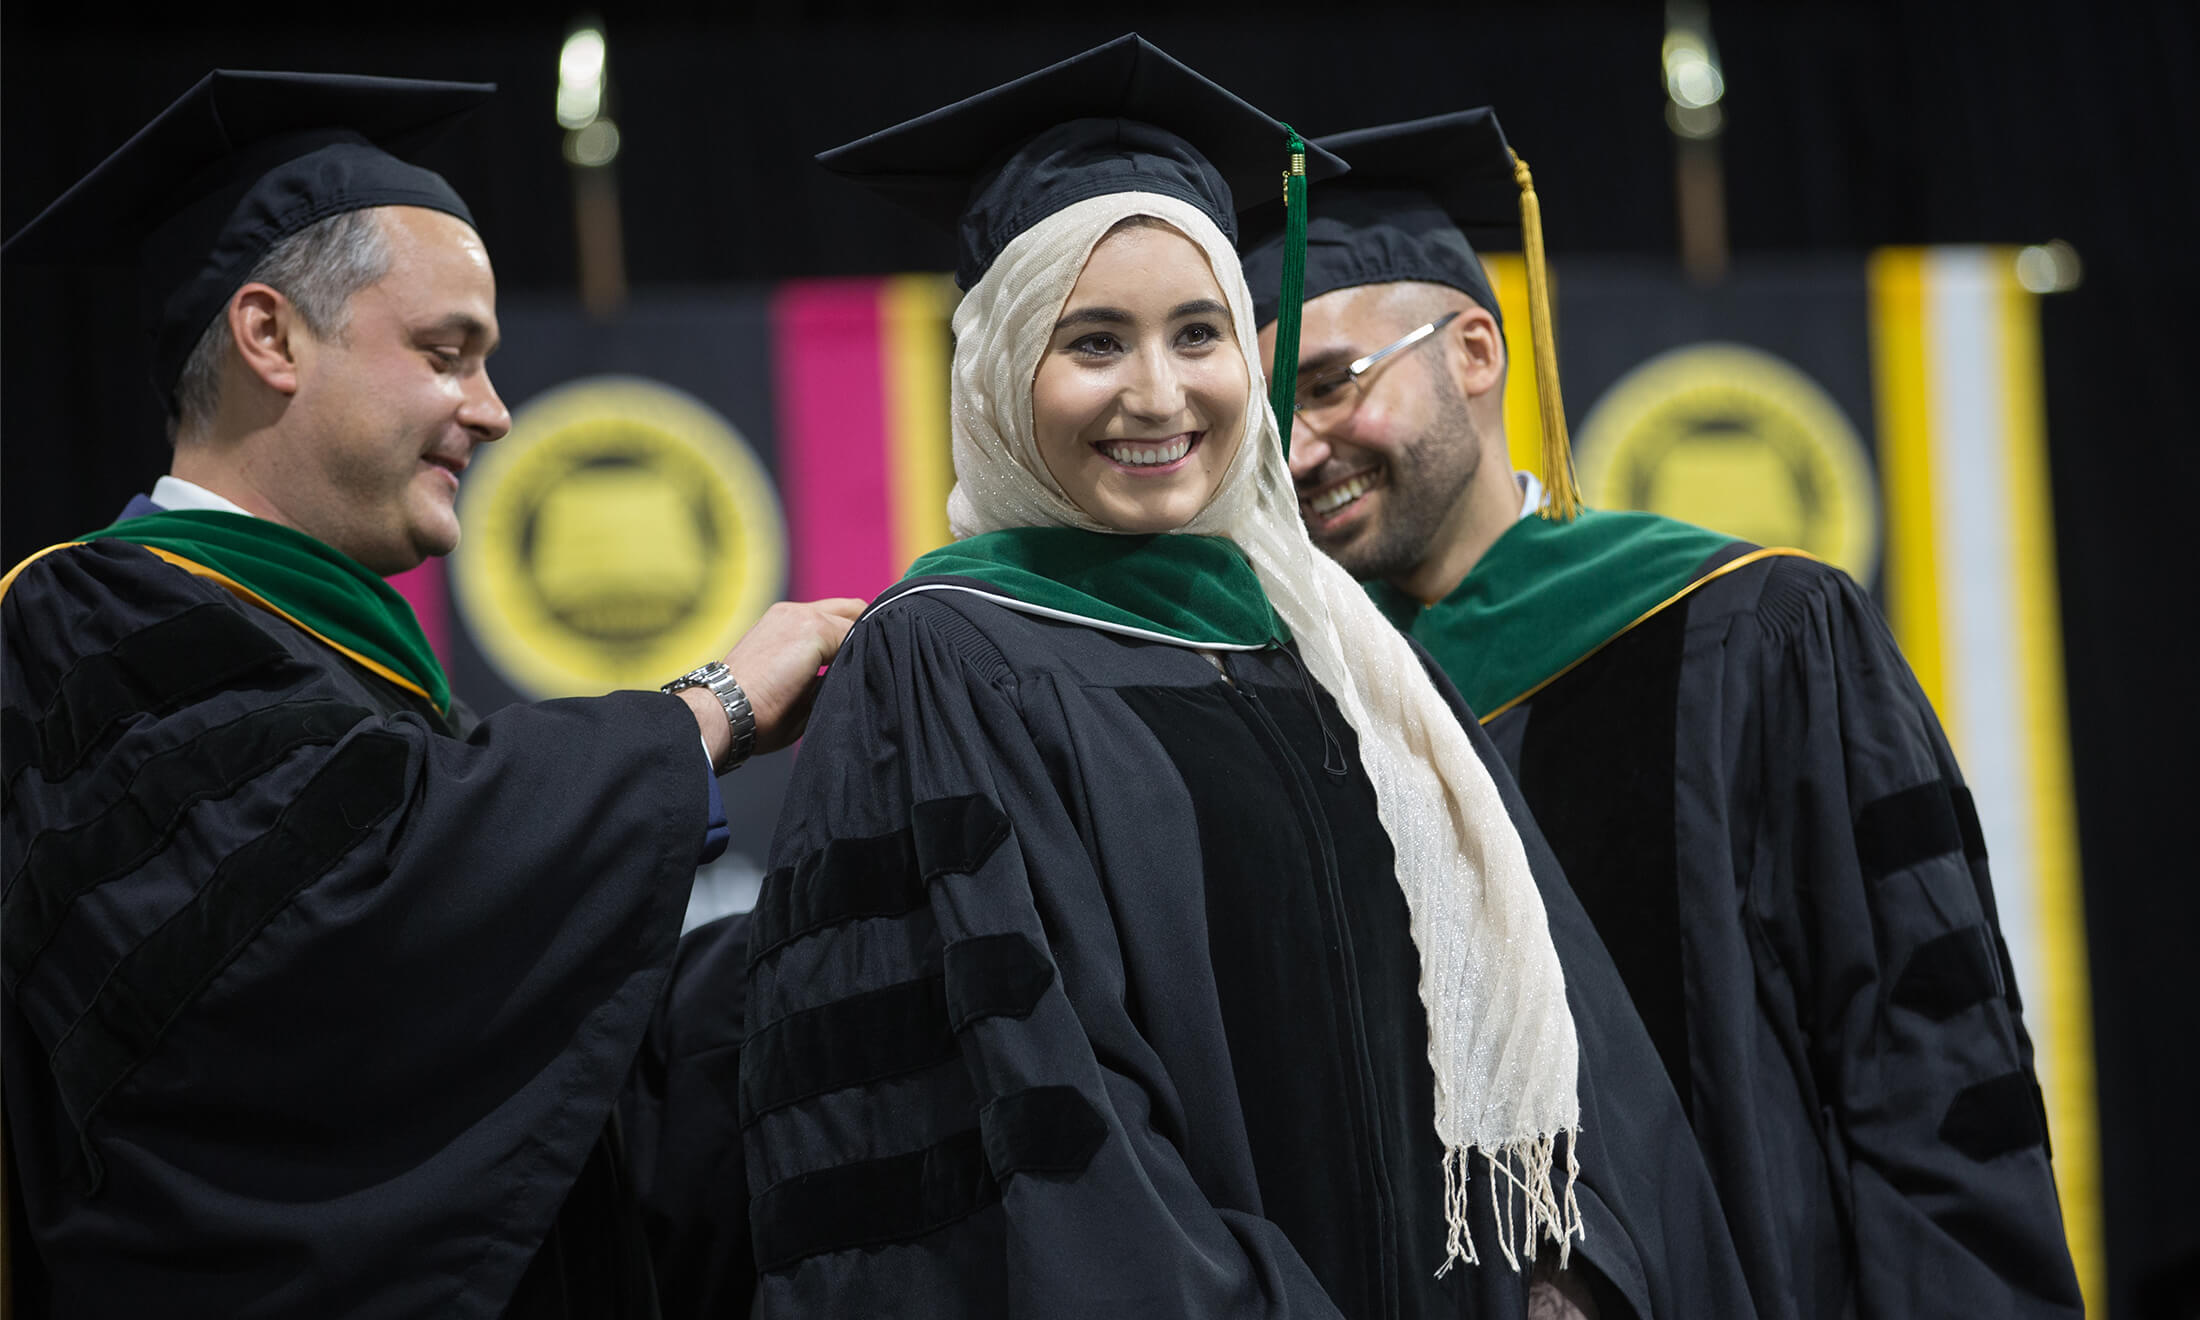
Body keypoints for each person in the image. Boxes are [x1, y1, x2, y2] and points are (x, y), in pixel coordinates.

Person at [714, 36, 1756, 1319]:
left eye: (1199, 333)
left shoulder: (1334, 644)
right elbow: (1028, 1123)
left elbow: (1555, 1001)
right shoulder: (951, 659)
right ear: (994, 373)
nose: (1160, 394)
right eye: (1092, 341)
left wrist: (1579, 1272)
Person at [0, 71, 860, 1317]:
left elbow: (519, 1077)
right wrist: (704, 712)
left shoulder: (327, 664)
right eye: (446, 354)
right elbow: (335, 939)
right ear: (270, 337)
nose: (497, 412)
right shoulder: (93, 629)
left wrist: (842, 934)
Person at [1241, 109, 2082, 1319]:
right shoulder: (1305, 722)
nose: (1305, 448)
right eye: (1271, 426)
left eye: (1332, 385)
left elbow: (1921, 1050)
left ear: (1475, 351)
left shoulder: (1747, 630)